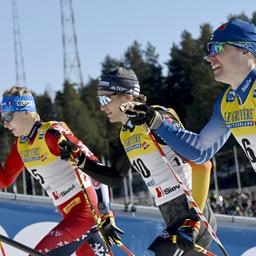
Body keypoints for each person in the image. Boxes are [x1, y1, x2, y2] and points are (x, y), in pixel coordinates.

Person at [72, 66, 217, 256]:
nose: (102, 106)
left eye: (106, 99)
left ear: (127, 96)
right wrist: (79, 160)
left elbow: (203, 164)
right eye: (100, 100)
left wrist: (193, 219)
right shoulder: (126, 133)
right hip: (171, 218)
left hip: (192, 216)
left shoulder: (156, 119)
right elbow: (116, 177)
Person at [124, 19, 256, 174]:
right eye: (209, 50)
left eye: (217, 48)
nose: (210, 57)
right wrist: (155, 120)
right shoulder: (227, 102)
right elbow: (200, 151)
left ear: (245, 49)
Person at [0, 86, 113, 255]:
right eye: (2, 118)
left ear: (25, 111)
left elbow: (96, 166)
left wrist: (105, 212)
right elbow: (5, 179)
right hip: (70, 215)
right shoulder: (21, 145)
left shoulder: (51, 134)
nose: (5, 124)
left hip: (87, 212)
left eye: (8, 116)